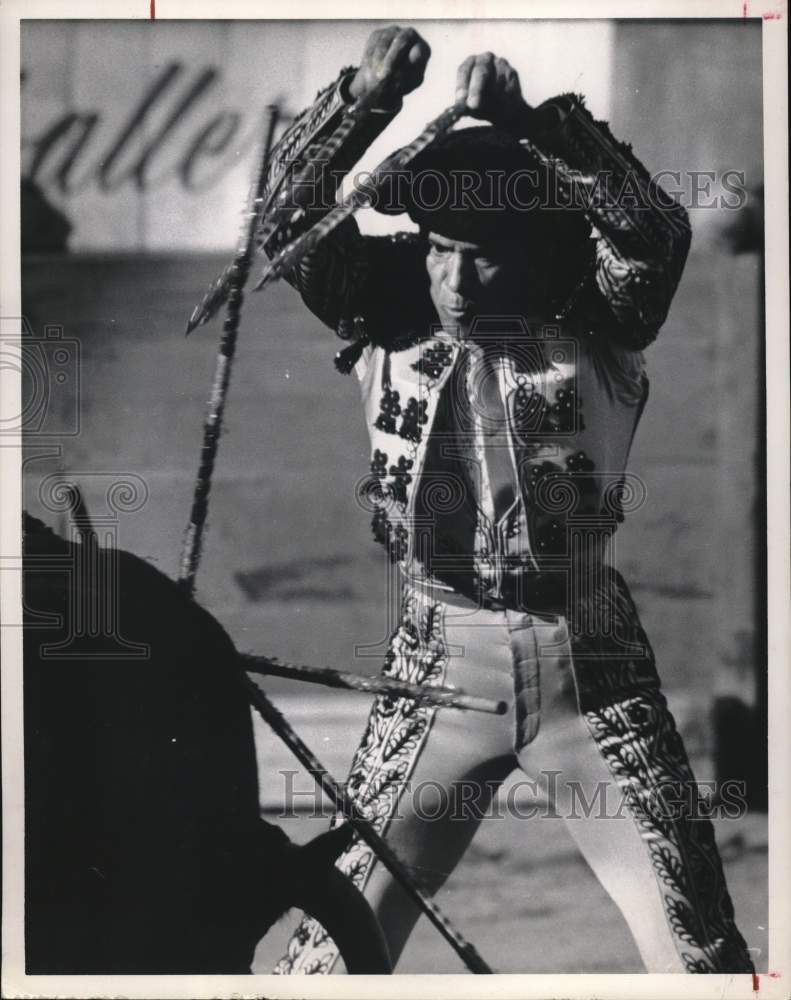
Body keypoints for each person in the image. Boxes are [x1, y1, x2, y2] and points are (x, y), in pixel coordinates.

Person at [248, 26, 754, 974]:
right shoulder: (384, 311)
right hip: (434, 671)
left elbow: (655, 235)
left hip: (590, 673)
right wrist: (362, 100)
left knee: (701, 963)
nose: (451, 279)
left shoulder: (598, 323)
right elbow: (284, 220)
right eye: (437, 250)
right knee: (324, 962)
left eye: (480, 255)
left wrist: (535, 125)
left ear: (538, 251)